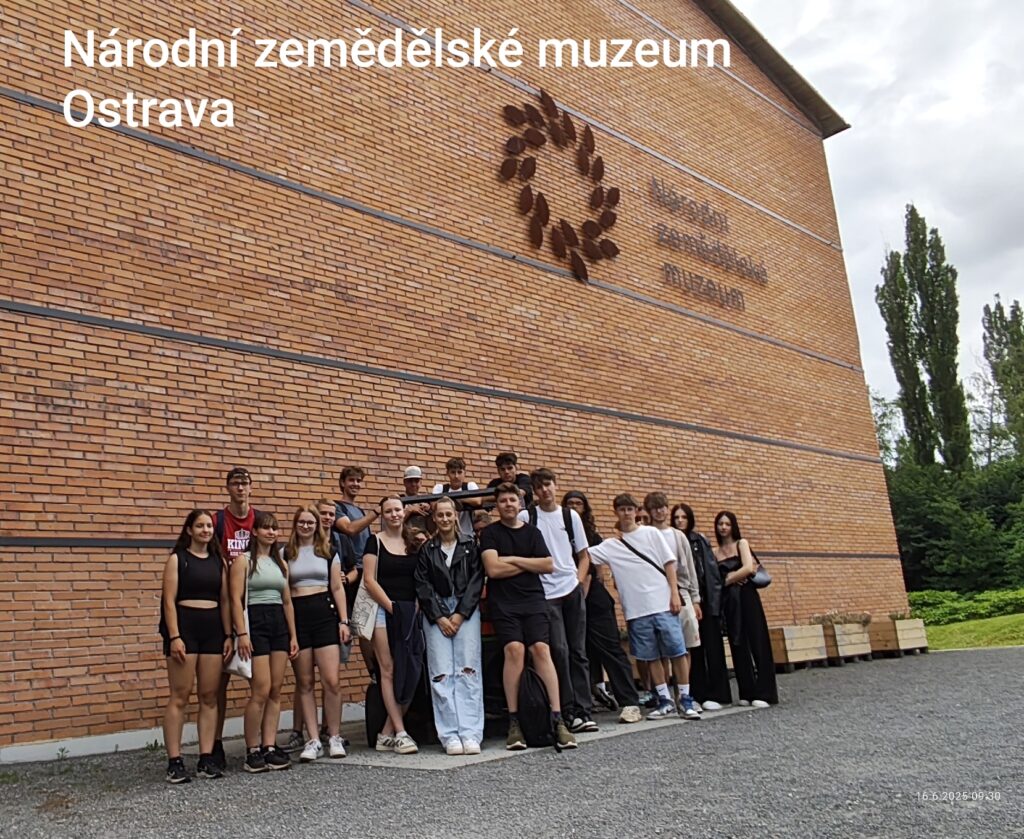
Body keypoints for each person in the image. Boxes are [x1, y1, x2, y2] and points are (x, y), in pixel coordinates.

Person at [479, 482, 576, 750]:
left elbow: (547, 564)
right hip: (504, 603)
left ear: (519, 503)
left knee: (541, 650)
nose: (508, 505)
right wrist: (527, 563)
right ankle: (515, 723)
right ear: (497, 506)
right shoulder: (490, 533)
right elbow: (493, 570)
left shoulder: (533, 532)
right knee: (515, 650)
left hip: (533, 600)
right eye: (503, 501)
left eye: (512, 500)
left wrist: (511, 559)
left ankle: (557, 719)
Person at [588, 495, 698, 721]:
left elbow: (669, 563)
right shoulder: (610, 546)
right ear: (616, 512)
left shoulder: (651, 533)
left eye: (630, 509)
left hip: (663, 603)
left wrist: (674, 593)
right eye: (622, 509)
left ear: (636, 511)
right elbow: (583, 555)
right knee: (651, 656)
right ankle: (664, 699)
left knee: (677, 651)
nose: (626, 513)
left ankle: (685, 698)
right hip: (636, 610)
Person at [160, 510, 233, 783]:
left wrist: (228, 634)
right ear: (189, 530)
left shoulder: (219, 562)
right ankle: (175, 761)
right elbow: (169, 601)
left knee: (209, 696)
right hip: (185, 629)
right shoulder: (178, 559)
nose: (205, 530)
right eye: (200, 526)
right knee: (180, 695)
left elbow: (225, 601)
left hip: (213, 631)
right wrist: (175, 636)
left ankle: (206, 757)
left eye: (209, 526)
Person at [520, 469, 595, 733]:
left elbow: (584, 556)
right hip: (545, 594)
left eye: (548, 485)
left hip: (570, 589)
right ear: (534, 491)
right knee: (559, 651)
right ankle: (567, 709)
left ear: (555, 485)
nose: (545, 491)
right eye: (539, 487)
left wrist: (578, 583)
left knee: (578, 651)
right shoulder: (527, 517)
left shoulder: (570, 516)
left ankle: (584, 710)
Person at [562, 490, 642, 724]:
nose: (574, 507)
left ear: (585, 508)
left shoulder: (592, 536)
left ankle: (630, 702)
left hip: (593, 600)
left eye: (578, 503)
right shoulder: (559, 534)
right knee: (577, 652)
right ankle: (585, 701)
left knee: (610, 650)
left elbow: (593, 572)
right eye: (570, 504)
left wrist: (580, 597)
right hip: (566, 597)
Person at [414, 496, 485, 755]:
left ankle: (471, 732)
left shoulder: (470, 545)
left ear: (455, 516)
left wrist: (460, 613)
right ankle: (450, 735)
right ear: (434, 518)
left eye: (448, 514)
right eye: (440, 515)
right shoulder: (427, 549)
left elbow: (477, 580)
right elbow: (422, 585)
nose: (444, 519)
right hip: (437, 613)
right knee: (441, 673)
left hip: (466, 611)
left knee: (468, 670)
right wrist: (440, 616)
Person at [229, 511, 299, 773]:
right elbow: (235, 599)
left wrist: (293, 635)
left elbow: (287, 601)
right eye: (266, 528)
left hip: (278, 622)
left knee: (276, 689)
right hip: (255, 622)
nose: (271, 532)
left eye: (275, 528)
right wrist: (242, 633)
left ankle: (269, 745)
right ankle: (252, 750)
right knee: (261, 688)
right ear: (255, 532)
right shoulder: (243, 561)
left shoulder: (280, 563)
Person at [287, 505, 351, 762]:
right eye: (301, 522)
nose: (306, 526)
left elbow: (337, 587)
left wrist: (344, 621)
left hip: (325, 615)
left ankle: (334, 735)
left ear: (317, 525)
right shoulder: (285, 553)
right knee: (304, 682)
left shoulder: (328, 552)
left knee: (331, 680)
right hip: (298, 617)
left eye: (310, 522)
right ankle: (313, 739)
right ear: (295, 524)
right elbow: (285, 593)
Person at [363, 496, 424, 755]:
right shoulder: (374, 541)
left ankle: (386, 732)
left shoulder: (414, 541)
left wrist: (415, 606)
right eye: (388, 511)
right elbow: (369, 580)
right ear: (383, 514)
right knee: (387, 670)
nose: (394, 515)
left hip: (410, 611)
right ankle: (400, 732)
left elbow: (421, 578)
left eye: (397, 510)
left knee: (411, 668)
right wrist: (391, 607)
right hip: (382, 610)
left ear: (404, 512)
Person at [210, 466, 260, 771]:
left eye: (245, 483)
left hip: (254, 607)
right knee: (219, 681)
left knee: (261, 680)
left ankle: (259, 744)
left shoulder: (259, 520)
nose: (240, 488)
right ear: (228, 488)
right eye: (235, 483)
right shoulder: (218, 521)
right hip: (223, 607)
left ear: (251, 487)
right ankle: (214, 743)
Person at [645, 492, 702, 718]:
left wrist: (695, 598)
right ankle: (665, 696)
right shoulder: (646, 535)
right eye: (655, 508)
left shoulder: (678, 536)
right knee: (662, 648)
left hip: (682, 590)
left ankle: (684, 694)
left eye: (663, 507)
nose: (660, 511)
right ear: (649, 511)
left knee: (686, 645)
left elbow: (689, 568)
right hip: (656, 594)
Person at [713, 511, 778, 707]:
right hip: (729, 602)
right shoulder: (715, 552)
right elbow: (715, 577)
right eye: (720, 524)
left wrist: (727, 580)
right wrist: (734, 577)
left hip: (747, 597)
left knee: (758, 641)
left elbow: (749, 568)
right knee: (737, 642)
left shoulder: (742, 543)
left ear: (733, 526)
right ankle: (747, 691)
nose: (724, 527)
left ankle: (766, 693)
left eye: (727, 524)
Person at [673, 503, 731, 710]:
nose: (680, 521)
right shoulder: (670, 540)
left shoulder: (699, 540)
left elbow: (711, 572)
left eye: (684, 517)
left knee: (713, 648)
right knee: (693, 649)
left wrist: (713, 604)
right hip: (683, 599)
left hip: (704, 600)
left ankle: (719, 694)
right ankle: (697, 694)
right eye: (677, 517)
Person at [432, 457, 482, 535]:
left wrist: (457, 499)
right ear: (447, 473)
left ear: (465, 473)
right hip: (444, 535)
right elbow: (433, 505)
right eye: (453, 472)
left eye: (459, 472)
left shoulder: (470, 486)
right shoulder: (440, 488)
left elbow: (477, 501)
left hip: (468, 534)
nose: (456, 476)